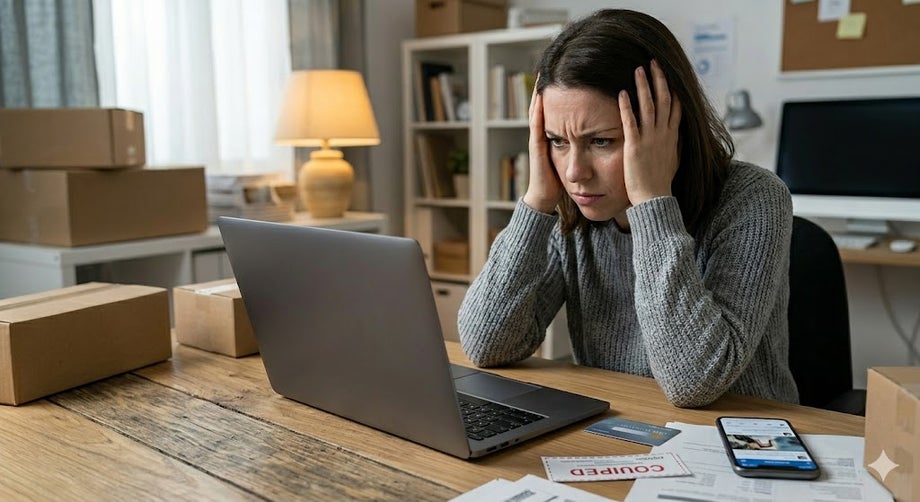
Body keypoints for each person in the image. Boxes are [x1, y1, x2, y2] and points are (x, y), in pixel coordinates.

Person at [457, 8, 798, 408]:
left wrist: (652, 204)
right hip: (618, 428)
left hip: (737, 441)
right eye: (557, 141)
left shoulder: (754, 198)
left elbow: (693, 383)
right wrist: (536, 201)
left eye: (601, 141)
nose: (574, 172)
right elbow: (486, 345)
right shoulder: (570, 207)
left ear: (669, 128)